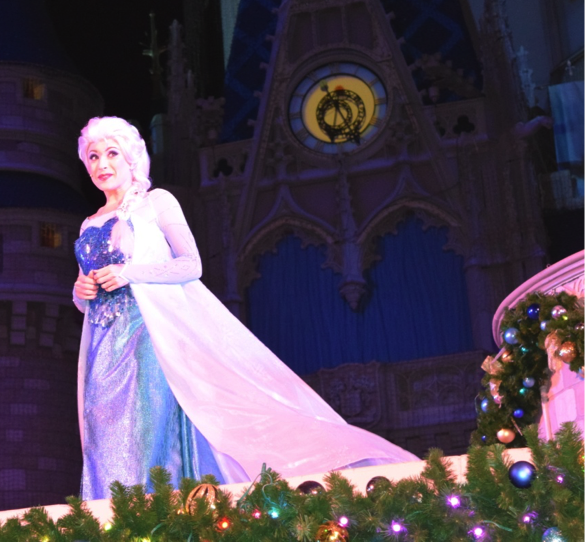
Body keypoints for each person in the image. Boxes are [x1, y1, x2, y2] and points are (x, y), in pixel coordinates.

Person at [72, 116, 416, 500]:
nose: (102, 164)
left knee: (145, 430)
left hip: (149, 336)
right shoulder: (89, 224)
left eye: (112, 153)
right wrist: (79, 292)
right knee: (102, 433)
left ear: (132, 157)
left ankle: (148, 511)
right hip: (103, 347)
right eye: (93, 157)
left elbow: (191, 265)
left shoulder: (157, 203)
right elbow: (88, 291)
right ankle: (107, 515)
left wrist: (129, 273)